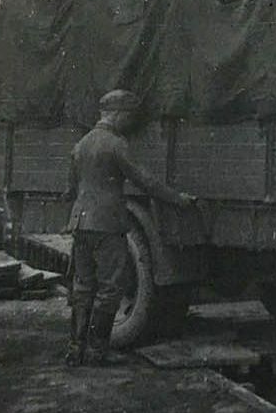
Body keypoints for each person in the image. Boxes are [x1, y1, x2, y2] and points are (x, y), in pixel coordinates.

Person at [63, 90, 194, 367]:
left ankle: (76, 349)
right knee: (111, 288)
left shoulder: (81, 144)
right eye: (128, 116)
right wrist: (178, 199)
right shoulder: (116, 145)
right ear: (117, 114)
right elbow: (144, 180)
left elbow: (69, 188)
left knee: (83, 286)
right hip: (107, 224)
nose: (129, 122)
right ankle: (98, 351)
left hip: (81, 222)